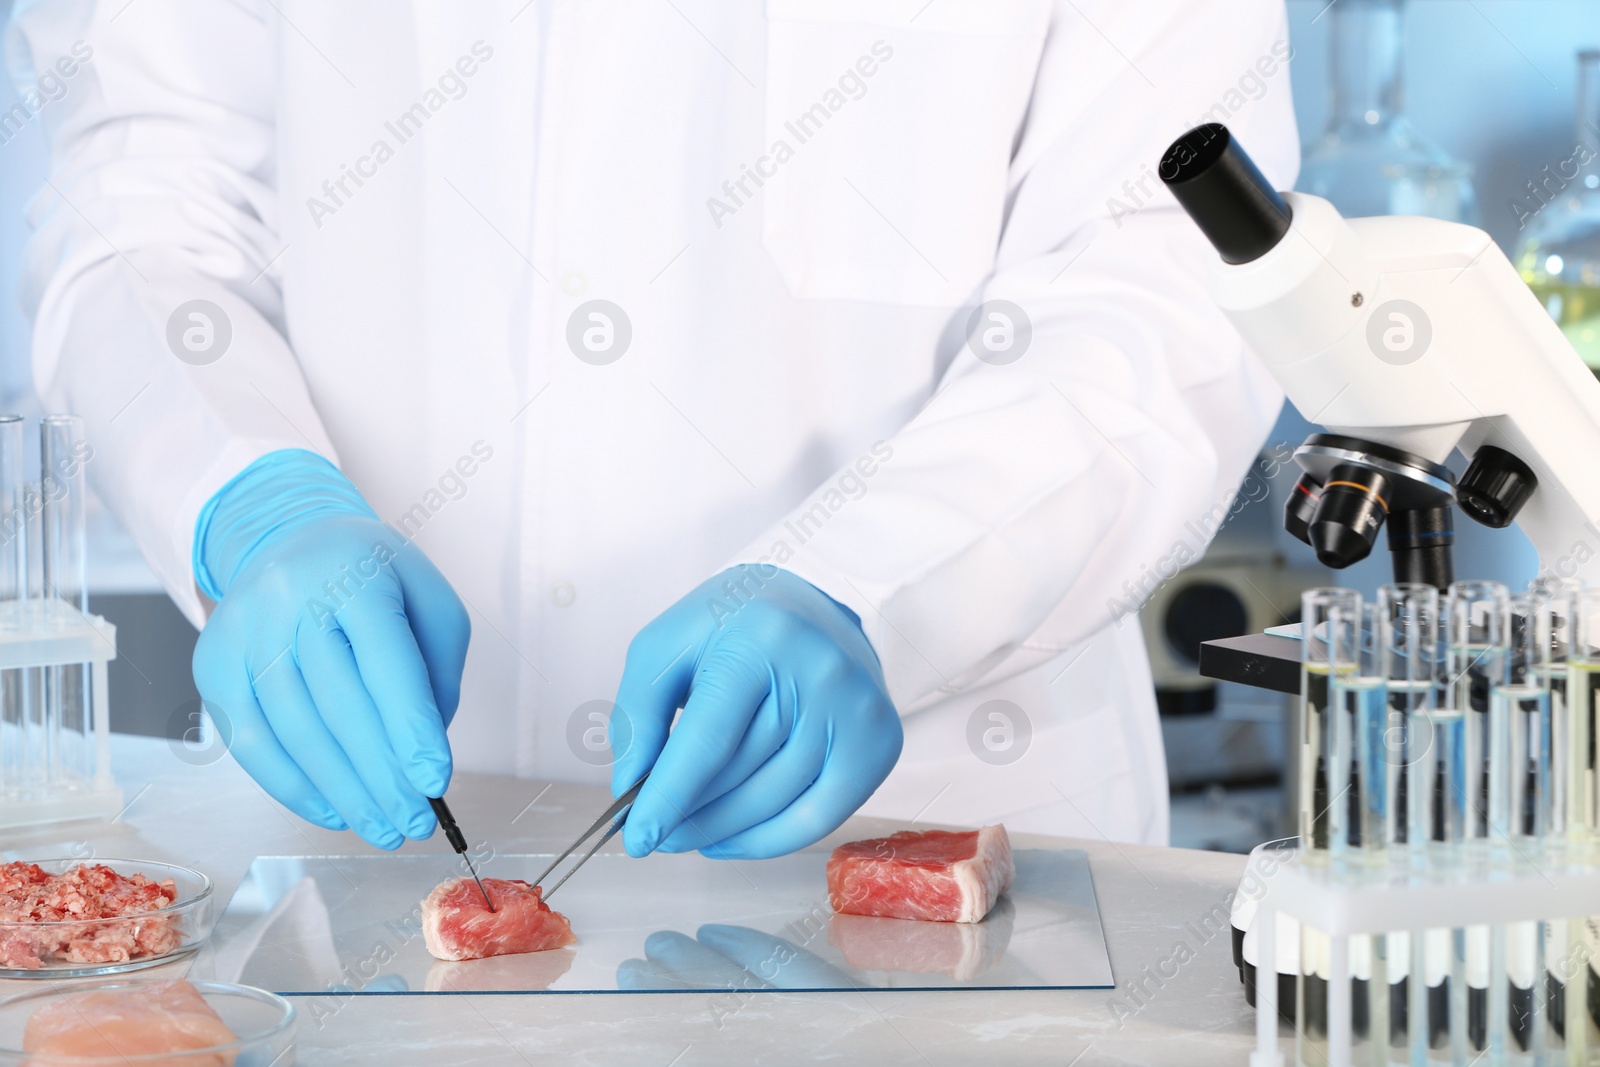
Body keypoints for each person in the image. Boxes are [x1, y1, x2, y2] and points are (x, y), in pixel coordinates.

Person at [7, 0, 1298, 856]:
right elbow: (141, 202)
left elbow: (1169, 281)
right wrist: (247, 495)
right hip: (344, 853)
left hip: (924, 823)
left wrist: (875, 581)